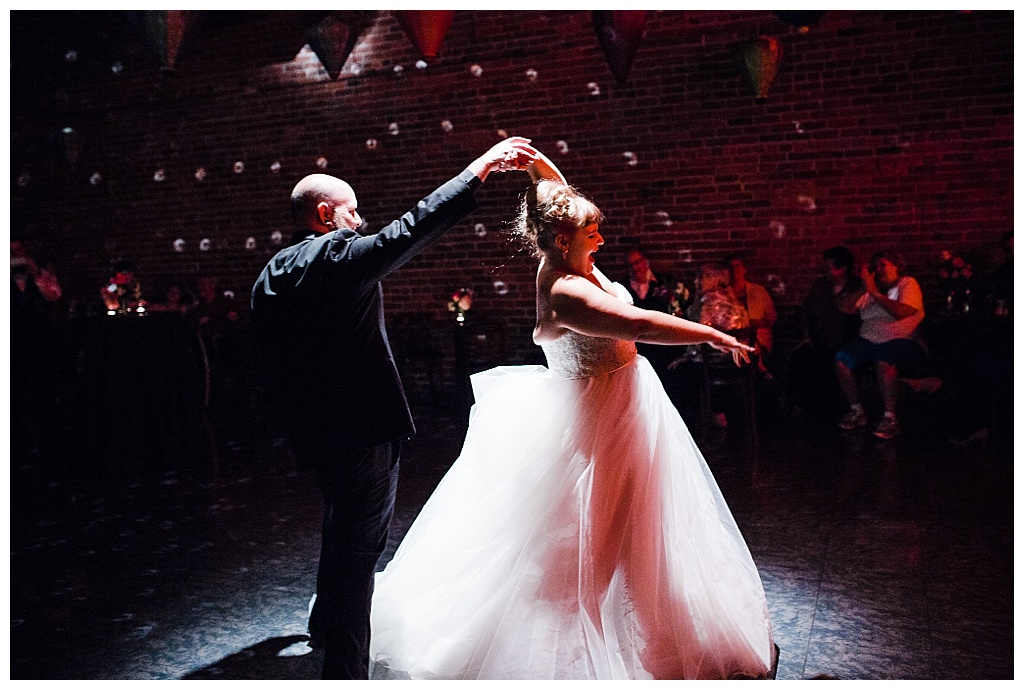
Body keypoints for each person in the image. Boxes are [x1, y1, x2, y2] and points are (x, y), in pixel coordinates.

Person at [369, 173, 776, 679]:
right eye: (592, 235)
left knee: (642, 524)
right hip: (597, 419)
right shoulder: (565, 291)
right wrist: (714, 334)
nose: (601, 241)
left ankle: (651, 626)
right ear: (563, 240)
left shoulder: (567, 256)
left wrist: (540, 166)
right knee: (596, 536)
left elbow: (558, 203)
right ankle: (580, 641)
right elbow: (641, 325)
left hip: (624, 405)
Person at [249, 136, 540, 679]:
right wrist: (478, 170)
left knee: (340, 527)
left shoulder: (269, 276)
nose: (360, 222)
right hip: (363, 429)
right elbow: (412, 229)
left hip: (315, 431)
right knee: (360, 548)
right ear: (324, 214)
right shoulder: (336, 255)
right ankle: (345, 669)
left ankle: (326, 626)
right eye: (352, 211)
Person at [835, 250, 926, 440]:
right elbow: (844, 307)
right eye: (875, 265)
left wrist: (875, 293)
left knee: (885, 359)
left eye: (883, 264)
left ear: (897, 267)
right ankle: (856, 410)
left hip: (901, 340)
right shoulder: (870, 291)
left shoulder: (907, 284)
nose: (878, 269)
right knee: (842, 359)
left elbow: (900, 312)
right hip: (869, 341)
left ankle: (890, 418)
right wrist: (866, 287)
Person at [786, 246, 863, 419]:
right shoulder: (820, 286)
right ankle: (798, 405)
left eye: (829, 268)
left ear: (842, 268)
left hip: (846, 340)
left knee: (832, 364)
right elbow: (806, 311)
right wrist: (806, 335)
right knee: (799, 359)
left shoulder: (857, 286)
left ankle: (836, 409)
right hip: (819, 339)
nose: (825, 272)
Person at [724, 255, 777, 377]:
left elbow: (771, 318)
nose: (734, 270)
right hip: (731, 340)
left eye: (737, 266)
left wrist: (754, 324)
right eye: (730, 267)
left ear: (744, 269)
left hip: (756, 338)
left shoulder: (758, 291)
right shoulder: (722, 294)